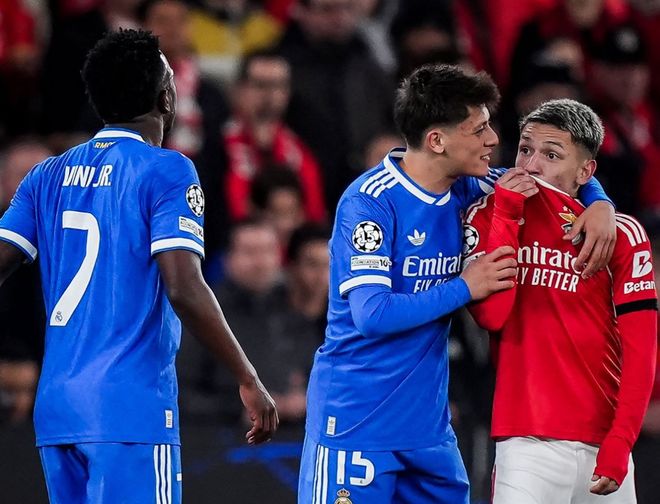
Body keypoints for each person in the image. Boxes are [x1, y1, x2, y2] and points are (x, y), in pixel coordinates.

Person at [298, 64, 616, 504]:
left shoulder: (468, 187)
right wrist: (465, 286)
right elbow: (372, 315)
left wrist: (600, 203)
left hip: (429, 429)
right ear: (437, 141)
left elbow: (554, 178)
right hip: (357, 421)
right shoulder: (370, 202)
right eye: (479, 129)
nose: (493, 140)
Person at [0, 29, 277, 503]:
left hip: (58, 409)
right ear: (166, 97)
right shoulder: (167, 169)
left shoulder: (45, 175)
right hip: (128, 407)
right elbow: (184, 287)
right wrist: (247, 377)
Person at [464, 99, 657, 503]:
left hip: (602, 440)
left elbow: (642, 350)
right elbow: (492, 316)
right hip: (525, 443)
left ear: (585, 171)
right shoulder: (486, 214)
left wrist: (621, 441)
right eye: (525, 149)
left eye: (551, 155)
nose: (531, 165)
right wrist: (507, 216)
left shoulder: (619, 234)